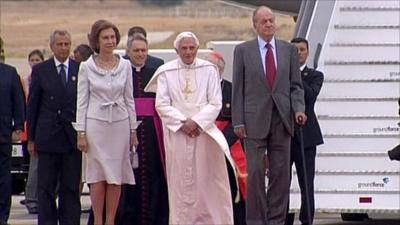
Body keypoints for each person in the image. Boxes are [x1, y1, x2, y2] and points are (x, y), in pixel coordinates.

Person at [144, 31, 236, 225]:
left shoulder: (209, 69)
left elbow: (215, 103)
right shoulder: (166, 72)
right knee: (180, 180)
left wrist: (197, 122)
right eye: (184, 48)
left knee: (208, 179)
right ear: (176, 50)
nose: (188, 52)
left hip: (204, 133)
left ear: (197, 49)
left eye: (191, 48)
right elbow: (161, 104)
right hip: (178, 133)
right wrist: (183, 122)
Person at [231, 6, 307, 225]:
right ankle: (256, 221)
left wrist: (299, 109)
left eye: (271, 20)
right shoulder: (243, 51)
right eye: (263, 21)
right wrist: (238, 121)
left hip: (282, 120)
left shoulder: (287, 50)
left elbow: (296, 86)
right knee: (254, 174)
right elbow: (238, 89)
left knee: (280, 176)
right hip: (253, 121)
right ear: (255, 25)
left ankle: (276, 220)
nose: (268, 24)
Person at [75, 19, 139, 225]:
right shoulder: (86, 67)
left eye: (112, 37)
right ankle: (98, 221)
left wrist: (133, 130)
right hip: (96, 125)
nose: (110, 41)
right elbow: (82, 102)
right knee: (97, 175)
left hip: (119, 124)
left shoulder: (126, 65)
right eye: (105, 38)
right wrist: (81, 133)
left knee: (115, 175)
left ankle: (111, 221)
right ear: (96, 41)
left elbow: (129, 100)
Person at [27, 30, 82, 225]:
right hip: (48, 138)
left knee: (70, 188)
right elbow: (33, 106)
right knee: (46, 189)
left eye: (67, 44)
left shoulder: (79, 69)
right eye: (60, 44)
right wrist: (31, 139)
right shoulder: (41, 70)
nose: (64, 48)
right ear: (52, 46)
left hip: (72, 139)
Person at [116, 33, 169, 225]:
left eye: (143, 50)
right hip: (126, 130)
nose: (140, 54)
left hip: (152, 133)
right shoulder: (121, 72)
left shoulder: (156, 72)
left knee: (153, 175)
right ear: (128, 52)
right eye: (136, 50)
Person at [285, 37, 324, 225]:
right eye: (295, 50)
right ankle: (283, 218)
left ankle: (307, 219)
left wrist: (295, 74)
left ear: (307, 53)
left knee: (306, 182)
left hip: (307, 136)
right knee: (281, 182)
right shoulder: (280, 74)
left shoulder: (316, 75)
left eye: (302, 49)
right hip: (284, 135)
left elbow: (311, 96)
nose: (298, 53)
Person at [206, 51, 247, 225]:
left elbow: (238, 119)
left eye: (212, 69)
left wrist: (221, 139)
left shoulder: (232, 90)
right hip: (206, 139)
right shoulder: (199, 90)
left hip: (229, 142)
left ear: (221, 70)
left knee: (233, 186)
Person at [0, 41, 25, 225]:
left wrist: (18, 127)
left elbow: (19, 101)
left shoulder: (10, 73)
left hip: (3, 134)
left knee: (3, 177)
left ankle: (2, 216)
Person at [21, 49, 44, 214]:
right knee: (35, 167)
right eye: (32, 60)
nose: (35, 63)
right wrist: (30, 136)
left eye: (38, 60)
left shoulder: (43, 75)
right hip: (36, 128)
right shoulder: (26, 79)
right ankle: (32, 199)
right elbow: (31, 106)